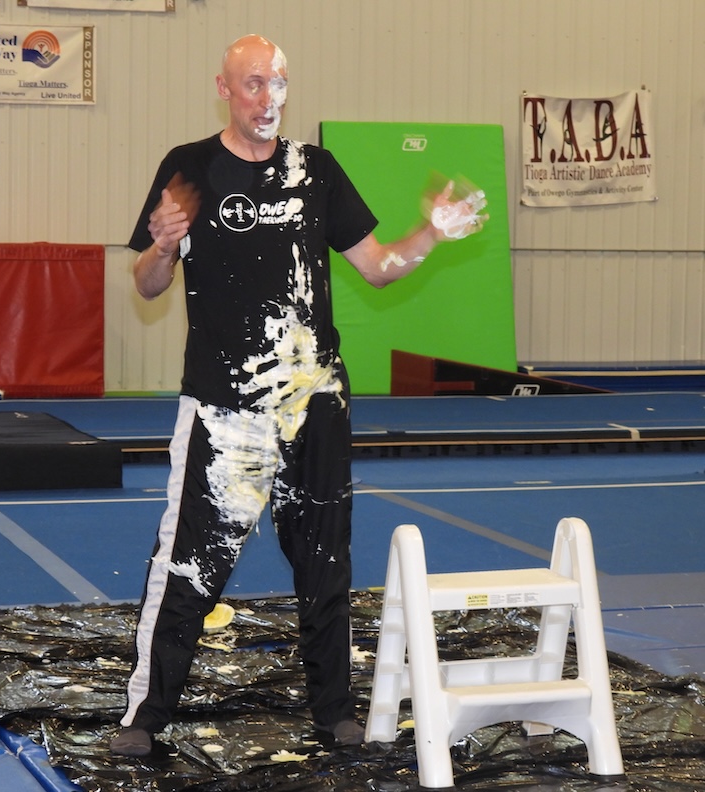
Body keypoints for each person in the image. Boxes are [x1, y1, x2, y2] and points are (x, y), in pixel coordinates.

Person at [111, 33, 486, 757]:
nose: (268, 99)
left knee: (325, 559)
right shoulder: (189, 167)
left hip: (315, 404)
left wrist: (431, 234)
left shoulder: (316, 170)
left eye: (278, 84)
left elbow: (377, 267)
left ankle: (334, 712)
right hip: (224, 410)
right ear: (224, 88)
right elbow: (149, 287)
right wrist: (161, 246)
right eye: (253, 85)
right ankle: (146, 717)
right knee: (192, 564)